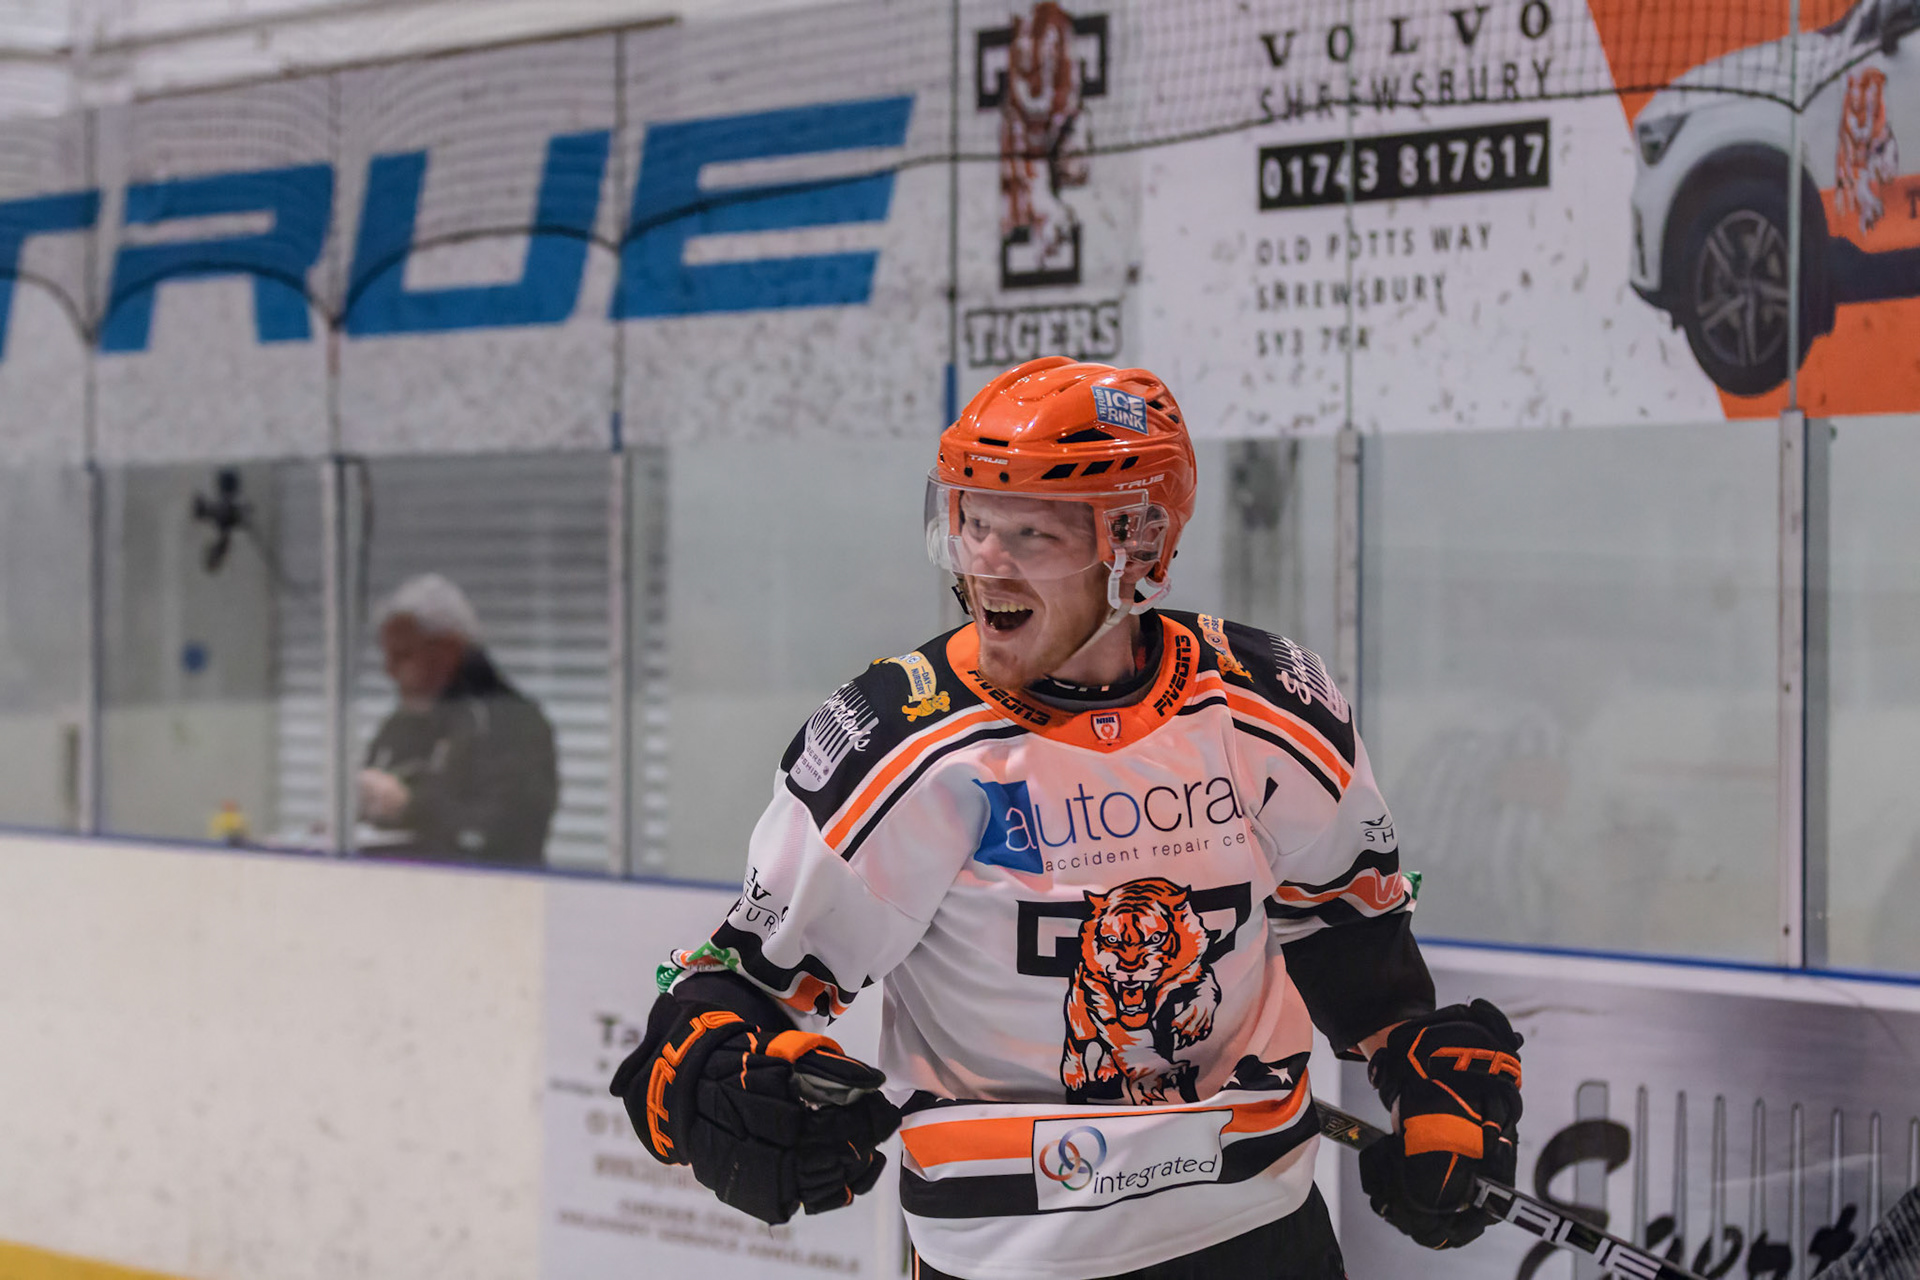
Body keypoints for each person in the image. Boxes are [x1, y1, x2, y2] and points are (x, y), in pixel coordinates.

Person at [610, 359, 1524, 1279]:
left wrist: (1419, 1052)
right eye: (972, 522)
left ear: (1139, 545)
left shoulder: (1268, 706)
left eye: (1031, 533)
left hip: (1260, 1236)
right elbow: (742, 983)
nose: (984, 561)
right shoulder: (900, 743)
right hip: (1011, 1260)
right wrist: (710, 1069)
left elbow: (1347, 927)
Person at [358, 573, 558, 868]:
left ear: (448, 649)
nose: (389, 670)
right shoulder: (401, 722)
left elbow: (507, 835)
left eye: (402, 655)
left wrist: (409, 807)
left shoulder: (512, 724)